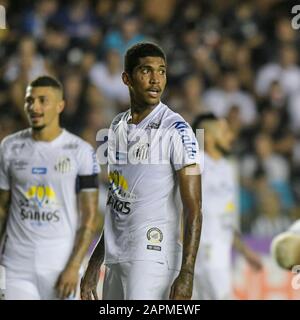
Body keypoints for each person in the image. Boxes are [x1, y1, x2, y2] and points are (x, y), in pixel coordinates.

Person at [80, 42, 202, 300]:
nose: (156, 79)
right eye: (146, 71)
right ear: (127, 78)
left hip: (153, 257)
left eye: (162, 71)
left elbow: (194, 208)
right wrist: (95, 261)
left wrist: (187, 273)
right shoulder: (116, 126)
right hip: (115, 258)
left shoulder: (177, 130)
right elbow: (116, 200)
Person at [0, 75, 100, 300]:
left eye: (42, 100)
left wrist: (74, 266)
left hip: (60, 264)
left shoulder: (80, 151)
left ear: (60, 105)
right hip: (17, 266)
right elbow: (3, 209)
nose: (34, 107)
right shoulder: (9, 147)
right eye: (29, 100)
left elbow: (89, 218)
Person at [192, 113, 262, 300]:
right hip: (202, 249)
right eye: (224, 131)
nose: (231, 136)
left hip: (221, 249)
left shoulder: (228, 167)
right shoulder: (196, 162)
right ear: (208, 137)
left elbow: (227, 218)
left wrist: (245, 251)